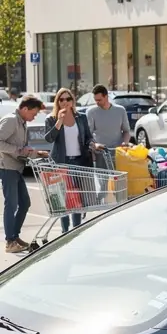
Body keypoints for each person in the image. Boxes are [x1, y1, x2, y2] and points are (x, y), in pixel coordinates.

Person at [44, 88, 95, 234]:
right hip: (61, 162)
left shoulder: (81, 117)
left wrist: (93, 144)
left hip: (80, 161)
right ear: (57, 102)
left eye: (68, 99)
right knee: (64, 200)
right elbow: (49, 138)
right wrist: (59, 120)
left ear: (73, 101)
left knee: (77, 198)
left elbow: (88, 137)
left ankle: (76, 230)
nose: (65, 102)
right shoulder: (51, 119)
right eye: (62, 100)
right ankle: (64, 231)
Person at [0, 96, 45, 253]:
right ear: (25, 109)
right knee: (11, 204)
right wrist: (18, 150)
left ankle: (14, 236)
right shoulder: (11, 120)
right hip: (8, 168)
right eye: (34, 113)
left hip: (17, 168)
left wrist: (38, 153)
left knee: (24, 203)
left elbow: (23, 148)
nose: (35, 116)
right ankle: (10, 241)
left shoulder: (22, 123)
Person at [87, 85, 131, 157]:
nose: (97, 102)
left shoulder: (120, 110)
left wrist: (125, 143)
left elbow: (126, 131)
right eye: (95, 100)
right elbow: (88, 135)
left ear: (106, 96)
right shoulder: (91, 112)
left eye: (99, 100)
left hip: (118, 152)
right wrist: (94, 145)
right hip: (100, 153)